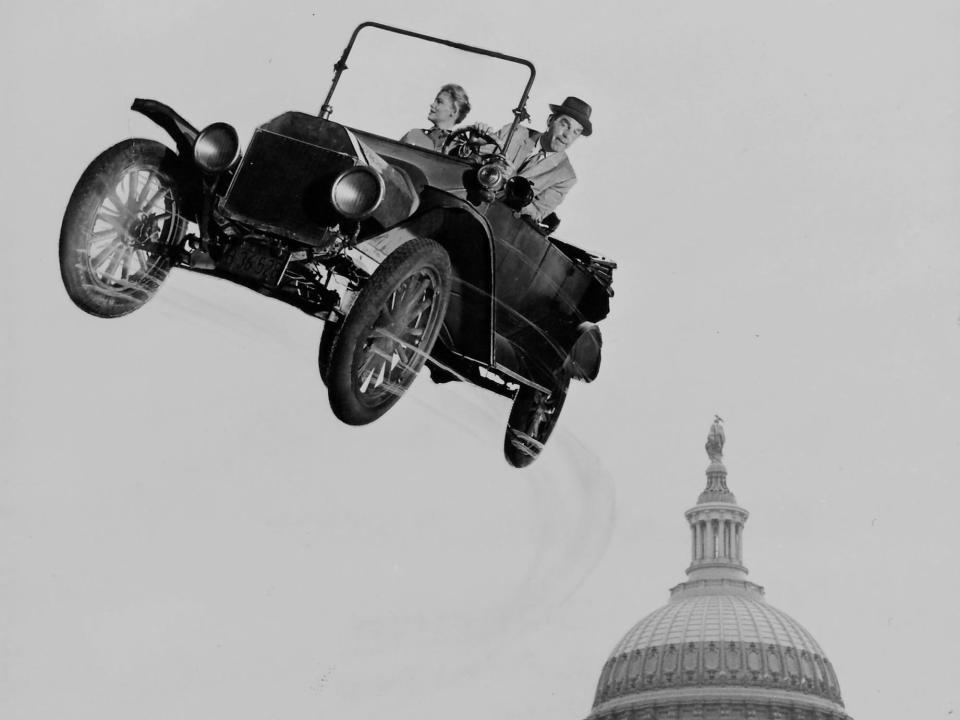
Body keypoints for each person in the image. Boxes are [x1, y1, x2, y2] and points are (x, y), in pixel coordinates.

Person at [477, 96, 593, 222]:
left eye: (576, 132)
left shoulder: (566, 177)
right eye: (565, 125)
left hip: (500, 224)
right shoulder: (514, 132)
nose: (567, 136)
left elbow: (537, 214)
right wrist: (475, 143)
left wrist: (514, 184)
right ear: (550, 121)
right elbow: (475, 159)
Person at [400, 84, 471, 152]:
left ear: (454, 111)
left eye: (439, 102)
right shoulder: (414, 135)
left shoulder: (460, 148)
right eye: (435, 101)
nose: (432, 105)